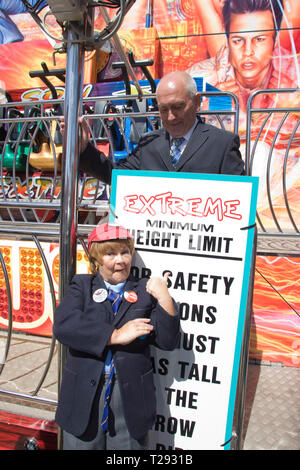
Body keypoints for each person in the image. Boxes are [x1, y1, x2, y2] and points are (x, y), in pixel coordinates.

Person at [53, 222, 180, 450]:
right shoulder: (82, 286)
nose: (120, 260)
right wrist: (115, 335)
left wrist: (164, 298)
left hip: (129, 398)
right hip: (83, 396)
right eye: (110, 254)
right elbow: (63, 325)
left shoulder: (144, 290)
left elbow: (168, 341)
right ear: (96, 259)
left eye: (124, 252)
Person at [70, 71, 244, 182]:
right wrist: (84, 149)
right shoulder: (150, 143)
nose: (170, 117)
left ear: (197, 102)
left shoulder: (223, 144)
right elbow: (116, 175)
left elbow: (239, 208)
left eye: (177, 107)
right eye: (163, 110)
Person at [188, 0, 300, 113]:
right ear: (227, 40)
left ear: (275, 40)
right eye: (238, 41)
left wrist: (296, 104)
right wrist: (209, 110)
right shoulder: (198, 80)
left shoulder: (295, 75)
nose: (247, 51)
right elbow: (176, 124)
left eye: (259, 39)